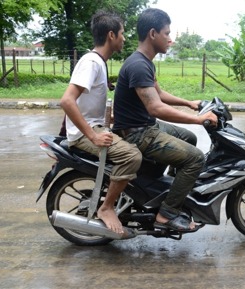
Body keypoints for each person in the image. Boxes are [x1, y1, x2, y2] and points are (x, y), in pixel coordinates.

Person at [112, 8, 218, 232]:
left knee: (188, 138)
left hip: (145, 126)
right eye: (166, 33)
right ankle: (166, 214)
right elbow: (155, 107)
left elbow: (158, 94)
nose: (170, 39)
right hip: (138, 134)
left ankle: (170, 190)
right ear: (153, 34)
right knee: (196, 159)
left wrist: (189, 103)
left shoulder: (145, 61)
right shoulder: (139, 65)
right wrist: (198, 119)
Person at [59, 10, 142, 235]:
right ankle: (106, 208)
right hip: (85, 134)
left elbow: (90, 106)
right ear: (111, 35)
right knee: (131, 155)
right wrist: (93, 136)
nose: (124, 38)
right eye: (122, 33)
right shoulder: (92, 63)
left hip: (95, 127)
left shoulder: (99, 62)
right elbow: (67, 101)